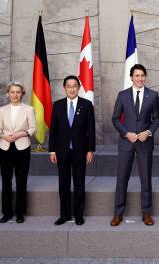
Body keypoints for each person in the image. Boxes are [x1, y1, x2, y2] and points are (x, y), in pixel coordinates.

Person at [110, 64, 159, 226]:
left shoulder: (153, 95)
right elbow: (115, 118)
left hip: (145, 143)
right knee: (122, 178)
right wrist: (126, 133)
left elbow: (157, 119)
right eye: (137, 75)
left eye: (142, 75)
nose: (140, 78)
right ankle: (118, 213)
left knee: (146, 179)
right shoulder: (123, 95)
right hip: (126, 142)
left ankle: (146, 213)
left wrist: (149, 132)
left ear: (145, 77)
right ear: (131, 77)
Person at [49, 75, 95, 226]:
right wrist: (52, 150)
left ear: (79, 87)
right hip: (61, 151)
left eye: (74, 86)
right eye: (69, 86)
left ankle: (79, 215)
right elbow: (53, 130)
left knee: (79, 184)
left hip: (80, 151)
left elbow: (91, 130)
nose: (72, 89)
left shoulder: (86, 105)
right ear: (64, 88)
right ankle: (64, 215)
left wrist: (90, 150)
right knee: (63, 185)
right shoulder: (57, 105)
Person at [0, 81, 36, 223]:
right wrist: (2, 136)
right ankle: (6, 213)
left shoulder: (28, 109)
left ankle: (20, 213)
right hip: (5, 148)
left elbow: (32, 128)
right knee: (6, 181)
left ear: (22, 93)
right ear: (8, 94)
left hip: (22, 148)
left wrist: (20, 134)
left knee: (21, 181)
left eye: (18, 92)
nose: (15, 94)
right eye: (12, 92)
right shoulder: (2, 110)